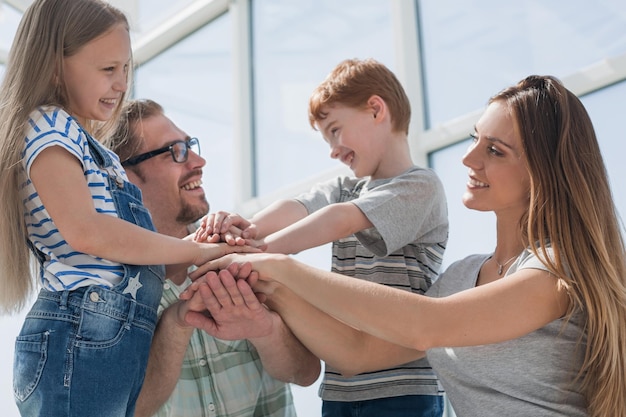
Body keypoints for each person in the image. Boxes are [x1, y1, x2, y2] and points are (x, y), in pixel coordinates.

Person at [189, 74, 626, 417]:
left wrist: (278, 265)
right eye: (475, 139)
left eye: (495, 150)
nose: (469, 159)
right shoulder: (461, 278)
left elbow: (425, 326)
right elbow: (359, 353)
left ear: (543, 171)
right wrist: (267, 286)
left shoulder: (555, 271)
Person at [0, 1, 257, 416]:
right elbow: (89, 232)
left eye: (125, 70)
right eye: (107, 70)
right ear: (53, 66)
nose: (121, 84)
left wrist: (207, 243)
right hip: (80, 333)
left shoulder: (94, 148)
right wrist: (195, 251)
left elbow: (126, 250)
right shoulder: (51, 126)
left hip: (108, 334)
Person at [196, 58, 448, 417]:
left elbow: (340, 220)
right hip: (340, 390)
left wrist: (259, 252)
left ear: (376, 109)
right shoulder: (345, 187)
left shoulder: (420, 186)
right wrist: (247, 230)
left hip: (403, 389)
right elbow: (299, 207)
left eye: (334, 130)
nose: (332, 149)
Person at [108, 98, 321, 417]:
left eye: (190, 145)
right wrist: (177, 324)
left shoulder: (238, 249)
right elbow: (124, 409)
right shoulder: (105, 289)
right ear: (123, 177)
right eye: (175, 151)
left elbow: (305, 373)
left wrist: (265, 330)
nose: (198, 160)